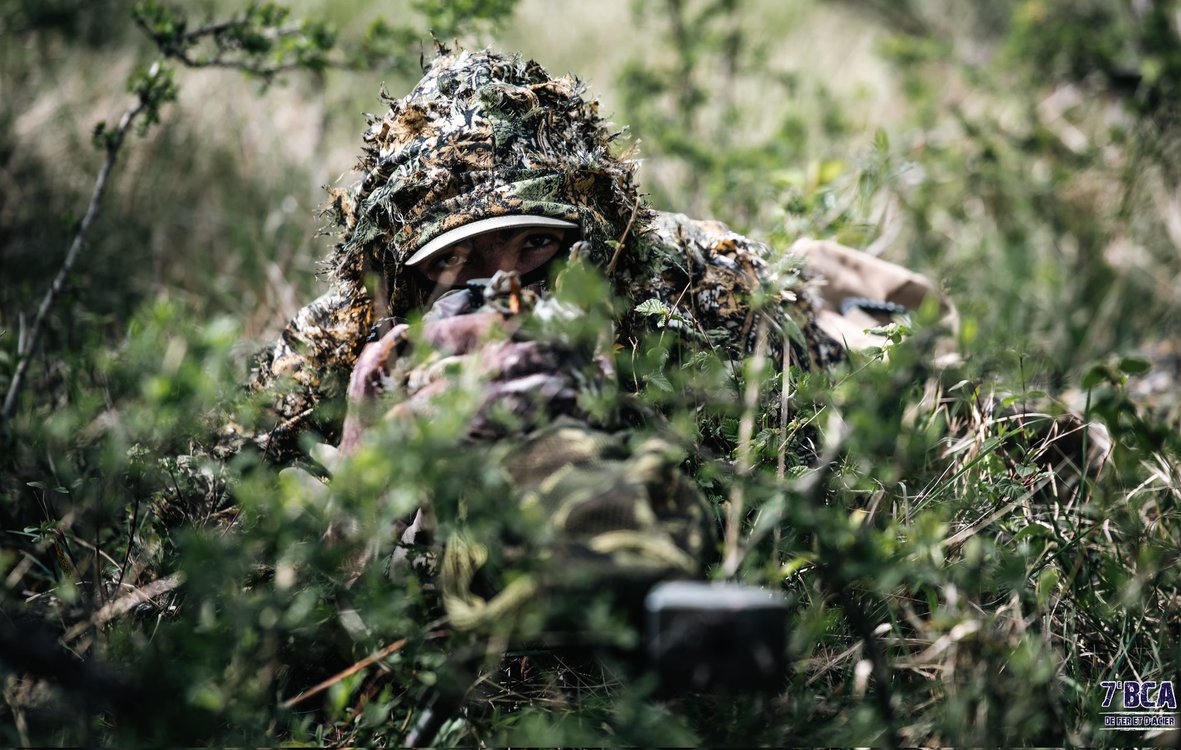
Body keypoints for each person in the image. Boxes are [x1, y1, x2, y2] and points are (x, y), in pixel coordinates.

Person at [248, 47, 948, 633]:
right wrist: (361, 471)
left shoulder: (684, 285)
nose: (506, 288)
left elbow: (883, 398)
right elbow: (199, 530)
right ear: (403, 274)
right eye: (456, 264)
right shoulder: (347, 338)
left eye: (535, 245)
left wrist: (625, 407)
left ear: (589, 237)